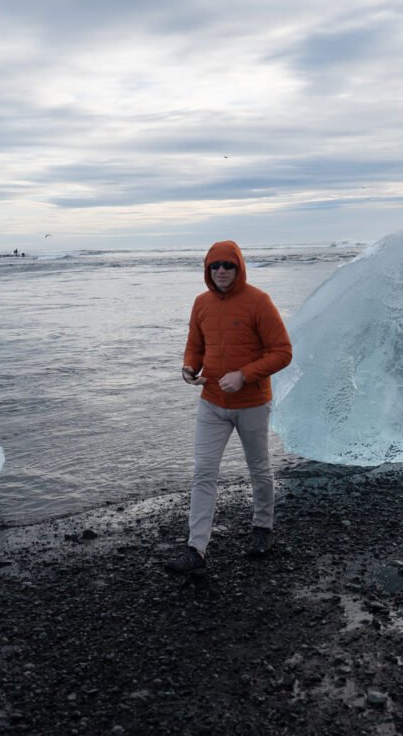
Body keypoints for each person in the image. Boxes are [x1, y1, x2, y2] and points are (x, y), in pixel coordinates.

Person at [166, 240, 292, 575]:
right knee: (204, 471)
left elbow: (282, 351)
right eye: (214, 267)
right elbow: (195, 345)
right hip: (212, 403)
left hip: (252, 403)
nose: (221, 271)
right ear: (207, 270)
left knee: (259, 468)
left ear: (239, 268)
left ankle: (263, 528)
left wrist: (244, 375)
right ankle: (196, 550)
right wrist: (189, 368)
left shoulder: (259, 302)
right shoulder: (201, 303)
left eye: (227, 266)